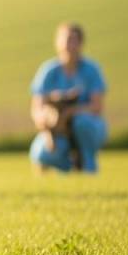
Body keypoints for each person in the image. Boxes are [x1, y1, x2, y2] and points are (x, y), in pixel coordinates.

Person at [29, 23, 107, 173]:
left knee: (81, 123)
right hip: (57, 129)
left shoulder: (91, 70)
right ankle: (69, 167)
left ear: (81, 43)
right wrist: (46, 126)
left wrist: (70, 112)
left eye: (73, 40)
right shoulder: (49, 71)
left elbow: (97, 107)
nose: (68, 44)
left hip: (87, 128)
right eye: (65, 39)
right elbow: (37, 109)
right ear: (57, 43)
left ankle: (88, 166)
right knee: (41, 153)